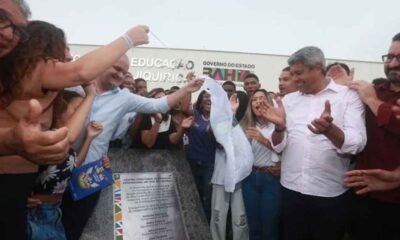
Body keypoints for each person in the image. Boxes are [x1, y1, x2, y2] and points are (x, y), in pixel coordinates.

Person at [0, 18, 150, 240]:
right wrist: (129, 39)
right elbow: (80, 71)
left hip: (26, 193)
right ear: (45, 48)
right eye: (64, 49)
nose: (69, 57)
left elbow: (66, 139)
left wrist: (89, 97)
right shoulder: (33, 69)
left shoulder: (42, 88)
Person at [61, 55, 204, 240]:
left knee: (74, 229)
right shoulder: (74, 85)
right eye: (116, 68)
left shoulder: (124, 98)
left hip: (90, 175)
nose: (120, 75)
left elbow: (159, 104)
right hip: (57, 168)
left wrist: (187, 88)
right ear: (103, 64)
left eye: (124, 72)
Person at [260, 46, 366, 240]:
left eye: (298, 73)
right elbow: (279, 146)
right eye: (292, 74)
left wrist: (330, 131)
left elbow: (357, 144)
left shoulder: (347, 96)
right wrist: (280, 128)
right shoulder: (289, 101)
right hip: (291, 191)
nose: (294, 79)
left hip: (329, 194)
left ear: (317, 68)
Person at [345, 33, 400, 240]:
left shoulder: (370, 95)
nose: (393, 64)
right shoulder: (372, 90)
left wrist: (372, 101)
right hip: (363, 197)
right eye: (389, 57)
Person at [240, 89, 281, 240]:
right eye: (254, 100)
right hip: (250, 178)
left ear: (269, 103)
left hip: (271, 178)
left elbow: (288, 151)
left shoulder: (278, 125)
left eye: (261, 98)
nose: (257, 102)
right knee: (253, 226)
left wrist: (264, 140)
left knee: (270, 226)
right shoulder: (245, 125)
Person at [186, 90, 217, 222]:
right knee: (193, 195)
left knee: (207, 198)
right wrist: (189, 87)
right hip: (192, 163)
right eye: (206, 96)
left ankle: (205, 229)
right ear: (200, 100)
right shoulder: (195, 114)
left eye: (212, 97)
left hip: (209, 165)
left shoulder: (220, 119)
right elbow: (184, 106)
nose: (209, 99)